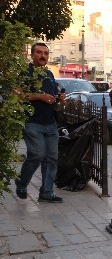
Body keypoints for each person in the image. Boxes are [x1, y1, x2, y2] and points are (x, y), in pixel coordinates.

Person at [14, 43, 64, 203]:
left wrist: (58, 98)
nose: (43, 56)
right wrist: (39, 96)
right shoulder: (24, 73)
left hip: (50, 123)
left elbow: (52, 95)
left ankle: (46, 192)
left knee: (51, 158)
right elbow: (18, 95)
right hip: (32, 122)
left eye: (46, 53)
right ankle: (22, 182)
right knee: (37, 154)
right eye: (39, 53)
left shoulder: (49, 73)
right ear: (32, 54)